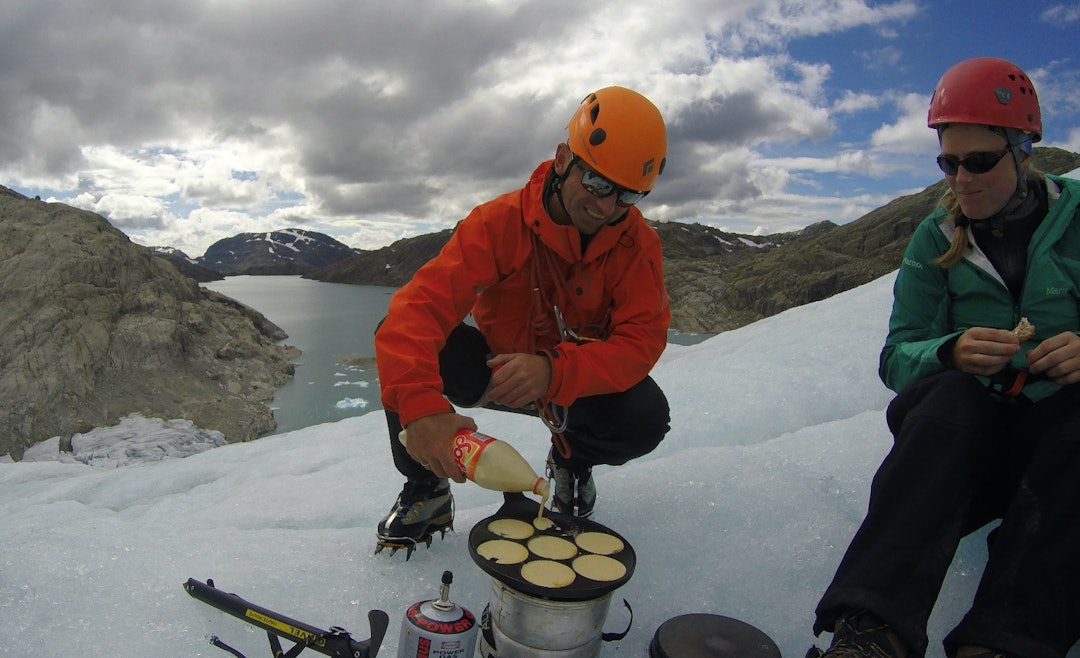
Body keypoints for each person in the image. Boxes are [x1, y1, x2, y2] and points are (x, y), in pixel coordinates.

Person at [806, 57, 1080, 658]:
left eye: (979, 161)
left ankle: (1006, 642)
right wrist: (949, 351)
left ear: (1023, 150)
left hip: (1061, 457)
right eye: (948, 163)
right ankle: (871, 632)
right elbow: (896, 358)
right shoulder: (935, 238)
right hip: (964, 454)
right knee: (948, 398)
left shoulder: (1078, 218)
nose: (961, 179)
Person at [372, 86, 672, 557]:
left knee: (643, 416)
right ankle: (427, 487)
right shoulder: (499, 223)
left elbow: (641, 340)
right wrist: (423, 409)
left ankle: (573, 462)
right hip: (497, 370)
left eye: (627, 194)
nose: (606, 207)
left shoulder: (638, 247)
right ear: (561, 160)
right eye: (596, 183)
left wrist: (554, 371)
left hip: (572, 386)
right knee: (404, 346)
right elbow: (418, 309)